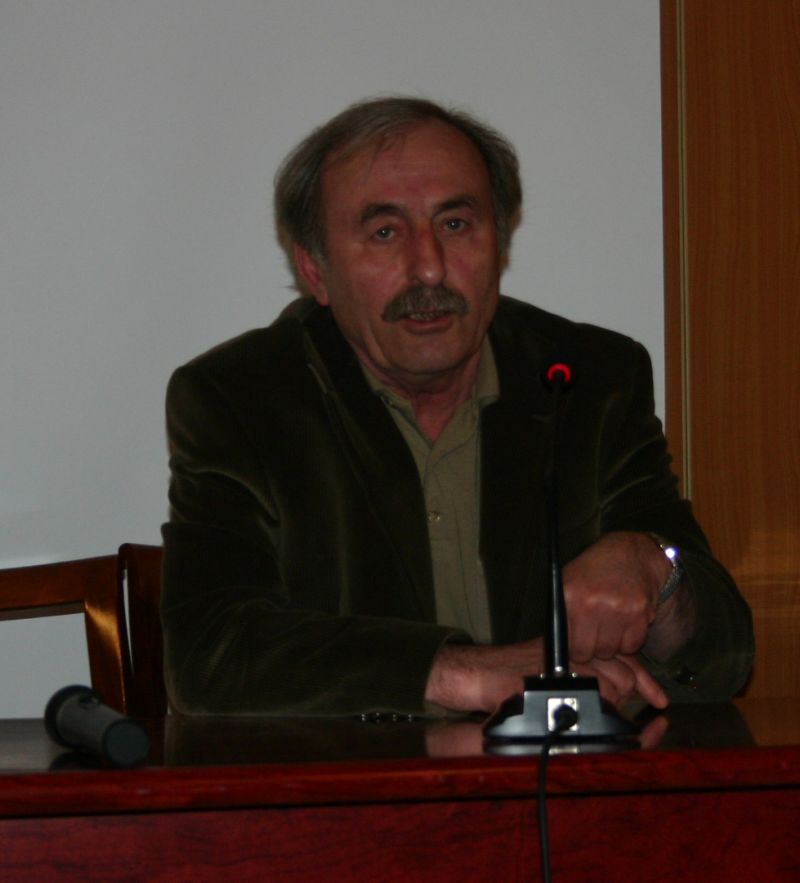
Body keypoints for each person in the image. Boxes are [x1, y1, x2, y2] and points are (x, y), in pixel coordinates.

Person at [161, 96, 753, 717]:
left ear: (500, 243)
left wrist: (657, 568)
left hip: (564, 770)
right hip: (362, 774)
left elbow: (724, 656)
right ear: (315, 271)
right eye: (384, 232)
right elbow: (211, 658)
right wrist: (461, 674)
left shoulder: (588, 379)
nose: (429, 269)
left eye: (455, 225)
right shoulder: (241, 399)